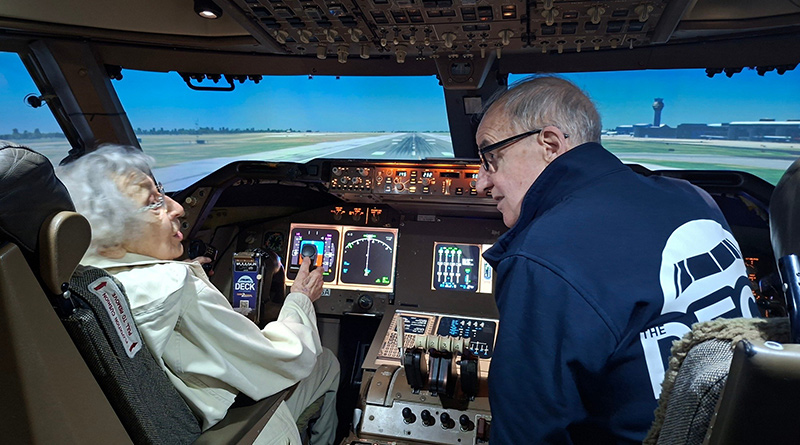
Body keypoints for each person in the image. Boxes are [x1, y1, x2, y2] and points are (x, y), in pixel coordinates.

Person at [475, 76, 756, 443]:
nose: (481, 183)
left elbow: (527, 433)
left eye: (490, 158)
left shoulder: (544, 252)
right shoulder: (693, 198)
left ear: (549, 144)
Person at [57, 145, 339, 445]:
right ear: (110, 239)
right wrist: (300, 299)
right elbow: (285, 360)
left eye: (163, 192)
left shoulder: (80, 281)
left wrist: (183, 269)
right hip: (237, 430)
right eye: (154, 203)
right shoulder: (173, 287)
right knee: (325, 363)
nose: (177, 208)